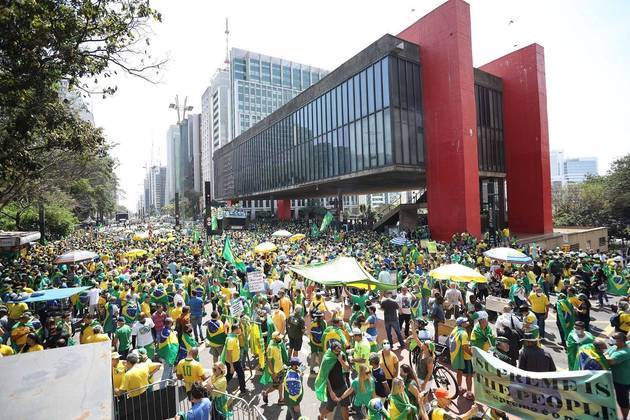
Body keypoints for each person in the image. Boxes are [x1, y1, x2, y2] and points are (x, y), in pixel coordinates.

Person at [315, 340, 351, 420]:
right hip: (332, 388)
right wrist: (331, 392)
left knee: (345, 407)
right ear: (331, 350)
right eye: (336, 351)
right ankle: (321, 417)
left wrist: (341, 360)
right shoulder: (327, 359)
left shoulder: (341, 355)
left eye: (339, 351)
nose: (338, 353)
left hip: (342, 385)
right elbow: (325, 377)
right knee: (330, 407)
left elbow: (347, 368)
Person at [604, 332, 630, 420]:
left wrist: (606, 356)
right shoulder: (615, 347)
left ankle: (624, 418)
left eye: (615, 338)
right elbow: (605, 355)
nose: (612, 338)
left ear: (622, 341)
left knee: (623, 401)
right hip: (615, 378)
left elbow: (610, 361)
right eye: (612, 337)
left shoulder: (624, 352)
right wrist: (606, 355)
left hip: (622, 381)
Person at [448, 317, 473, 400]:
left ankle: (459, 389)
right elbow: (465, 347)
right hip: (465, 357)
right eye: (465, 321)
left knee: (459, 372)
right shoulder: (463, 333)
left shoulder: (455, 330)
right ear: (462, 324)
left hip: (457, 356)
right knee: (469, 375)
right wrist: (472, 354)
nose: (467, 322)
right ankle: (469, 393)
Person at [262, 331, 289, 405]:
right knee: (275, 386)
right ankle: (265, 393)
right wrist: (273, 372)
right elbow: (269, 361)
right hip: (275, 371)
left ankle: (281, 399)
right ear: (275, 339)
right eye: (279, 338)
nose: (280, 339)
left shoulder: (277, 344)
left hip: (280, 368)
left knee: (281, 383)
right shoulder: (271, 347)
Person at [223, 323, 247, 394]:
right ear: (236, 330)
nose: (240, 330)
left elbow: (242, 333)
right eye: (239, 328)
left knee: (240, 374)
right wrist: (231, 366)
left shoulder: (234, 335)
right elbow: (229, 354)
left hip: (236, 360)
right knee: (230, 375)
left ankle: (243, 389)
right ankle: (220, 385)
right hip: (232, 362)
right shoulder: (231, 340)